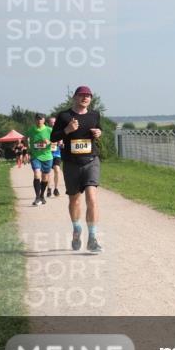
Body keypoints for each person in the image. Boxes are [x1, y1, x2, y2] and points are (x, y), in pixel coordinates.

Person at [50, 86, 104, 252]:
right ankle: (76, 228)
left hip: (91, 161)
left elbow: (99, 129)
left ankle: (92, 238)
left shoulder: (94, 115)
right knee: (74, 200)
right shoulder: (64, 116)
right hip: (71, 164)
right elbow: (53, 137)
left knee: (92, 198)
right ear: (74, 97)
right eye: (82, 95)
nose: (85, 98)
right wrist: (67, 130)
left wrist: (99, 132)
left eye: (88, 96)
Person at [25, 114, 54, 206]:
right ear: (35, 120)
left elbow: (56, 140)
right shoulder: (31, 130)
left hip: (47, 157)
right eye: (37, 119)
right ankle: (37, 197)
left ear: (44, 120)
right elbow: (25, 138)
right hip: (35, 156)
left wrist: (49, 142)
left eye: (41, 119)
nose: (39, 121)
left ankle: (42, 196)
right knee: (37, 174)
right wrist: (28, 149)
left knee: (45, 178)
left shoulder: (49, 130)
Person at [47, 116, 63, 197]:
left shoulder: (59, 131)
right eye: (51, 122)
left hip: (57, 154)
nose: (53, 124)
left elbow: (62, 142)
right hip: (47, 154)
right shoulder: (46, 131)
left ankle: (56, 189)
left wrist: (61, 144)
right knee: (48, 172)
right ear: (48, 123)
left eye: (54, 122)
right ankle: (49, 188)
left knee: (57, 170)